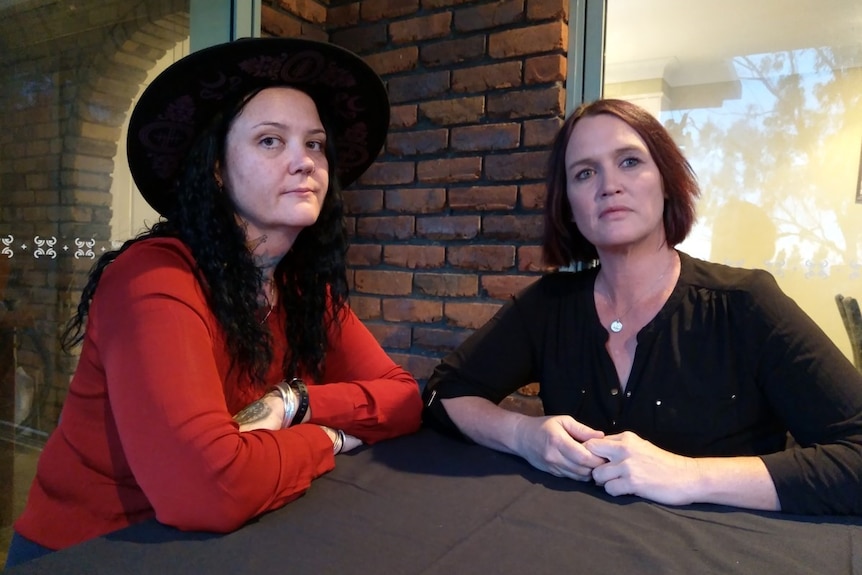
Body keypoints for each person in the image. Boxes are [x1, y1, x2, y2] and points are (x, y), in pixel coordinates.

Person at [5, 37, 423, 567]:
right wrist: (328, 439)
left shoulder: (299, 287)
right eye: (271, 141)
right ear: (218, 170)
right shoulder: (154, 278)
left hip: (219, 543)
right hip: (94, 550)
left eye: (315, 144)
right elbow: (208, 488)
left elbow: (404, 400)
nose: (304, 161)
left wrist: (294, 402)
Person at [422, 98, 862, 516]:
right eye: (584, 173)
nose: (609, 184)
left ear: (667, 184)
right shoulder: (549, 306)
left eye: (629, 161)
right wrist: (523, 434)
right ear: (570, 207)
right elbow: (445, 393)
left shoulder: (745, 305)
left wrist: (690, 475)